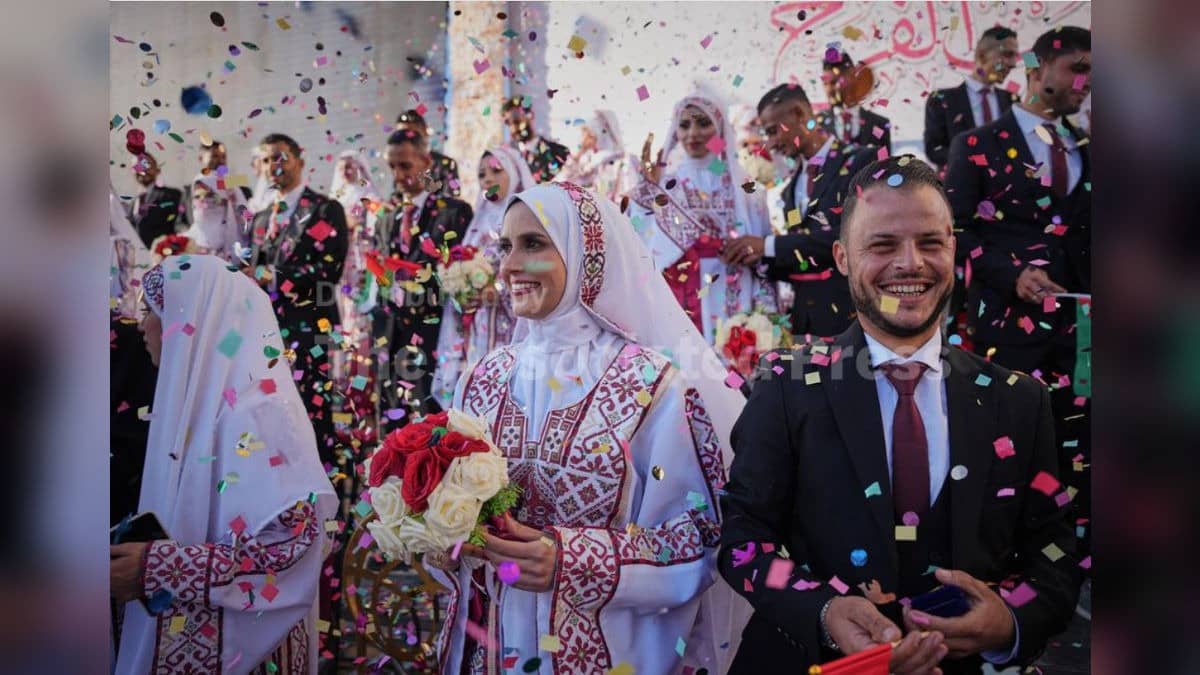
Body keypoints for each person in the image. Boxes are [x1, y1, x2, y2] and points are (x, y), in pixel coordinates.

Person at [718, 157, 1083, 674]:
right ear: (842, 258)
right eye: (883, 245)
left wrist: (1007, 623)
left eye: (930, 243)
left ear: (954, 251)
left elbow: (1056, 554)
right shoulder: (784, 386)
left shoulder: (1020, 400)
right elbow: (742, 541)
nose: (910, 263)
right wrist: (824, 612)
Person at [429, 182, 750, 675]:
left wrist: (573, 560)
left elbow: (702, 536)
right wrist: (440, 539)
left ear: (586, 256)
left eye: (534, 244)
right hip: (489, 650)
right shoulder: (482, 379)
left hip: (605, 652)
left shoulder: (651, 384)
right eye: (505, 246)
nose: (511, 265)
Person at [112, 255, 338, 674]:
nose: (143, 327)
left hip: (247, 649)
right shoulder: (205, 403)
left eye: (153, 312)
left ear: (194, 318)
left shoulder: (259, 413)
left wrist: (157, 568)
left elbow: (292, 542)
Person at [944, 26, 1091, 552]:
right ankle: (1003, 565)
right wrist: (1013, 274)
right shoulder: (977, 144)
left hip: (1079, 330)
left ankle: (1068, 565)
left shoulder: (1088, 143)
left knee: (1078, 446)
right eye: (1078, 66)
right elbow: (957, 230)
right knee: (1011, 449)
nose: (1087, 80)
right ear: (1036, 69)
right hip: (1007, 330)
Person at [723, 83, 876, 340]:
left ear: (799, 114)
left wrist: (767, 245)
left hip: (854, 323)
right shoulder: (789, 189)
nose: (770, 144)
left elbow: (851, 239)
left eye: (773, 131)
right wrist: (756, 259)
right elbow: (803, 260)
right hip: (806, 328)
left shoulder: (861, 162)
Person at [630, 93, 778, 348]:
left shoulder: (744, 188)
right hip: (681, 301)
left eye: (703, 123)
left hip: (734, 297)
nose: (693, 133)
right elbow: (639, 245)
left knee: (733, 374)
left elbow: (763, 250)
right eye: (684, 125)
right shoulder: (664, 185)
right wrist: (645, 191)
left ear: (719, 128)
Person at [245, 133, 349, 463]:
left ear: (300, 161)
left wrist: (271, 276)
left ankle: (324, 491)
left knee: (312, 411)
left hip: (309, 328)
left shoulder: (325, 209)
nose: (272, 166)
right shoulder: (260, 220)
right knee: (273, 412)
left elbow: (328, 272)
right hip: (267, 332)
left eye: (280, 157)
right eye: (265, 160)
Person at [369, 129, 473, 422]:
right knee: (392, 422)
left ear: (426, 162)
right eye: (392, 167)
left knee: (430, 421)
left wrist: (418, 282)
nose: (398, 175)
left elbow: (460, 277)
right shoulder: (386, 219)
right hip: (389, 336)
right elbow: (379, 278)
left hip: (432, 334)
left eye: (405, 166)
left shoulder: (454, 213)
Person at [430, 145, 531, 408]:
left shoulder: (525, 221)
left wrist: (496, 289)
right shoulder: (477, 223)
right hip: (476, 326)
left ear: (514, 174)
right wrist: (461, 290)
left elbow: (532, 272)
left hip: (510, 324)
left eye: (496, 171)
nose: (488, 179)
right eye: (482, 174)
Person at [924, 27, 1021, 173]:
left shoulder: (1012, 101)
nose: (1013, 63)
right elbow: (934, 151)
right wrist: (975, 159)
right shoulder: (942, 100)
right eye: (1007, 55)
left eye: (1015, 56)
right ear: (982, 56)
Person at [554, 109, 637, 202]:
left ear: (598, 134)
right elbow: (559, 183)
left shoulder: (616, 161)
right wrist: (580, 152)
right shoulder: (587, 159)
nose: (583, 136)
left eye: (587, 132)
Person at [819, 50, 892, 153]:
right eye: (825, 84)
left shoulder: (880, 124)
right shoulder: (818, 125)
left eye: (834, 82)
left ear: (851, 79)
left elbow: (885, 167)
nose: (829, 90)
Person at [396, 109, 462, 200]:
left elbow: (452, 205)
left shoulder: (446, 164)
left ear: (425, 132)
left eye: (413, 134)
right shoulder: (398, 165)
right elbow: (396, 200)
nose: (407, 140)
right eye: (400, 135)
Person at [502, 95, 571, 182]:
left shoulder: (560, 153)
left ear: (531, 115)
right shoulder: (506, 159)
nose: (513, 128)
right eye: (508, 123)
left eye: (516, 121)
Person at [181, 173, 245, 260]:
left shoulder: (242, 241)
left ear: (225, 198)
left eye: (210, 195)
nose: (203, 201)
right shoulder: (188, 239)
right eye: (197, 196)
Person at [127, 151, 184, 248]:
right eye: (136, 167)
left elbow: (180, 227)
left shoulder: (172, 195)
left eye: (145, 164)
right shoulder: (133, 203)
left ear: (157, 169)